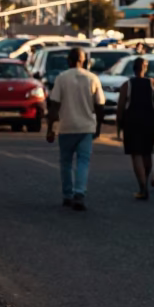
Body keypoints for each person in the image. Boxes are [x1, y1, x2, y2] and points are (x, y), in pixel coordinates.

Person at [46, 46, 105, 211]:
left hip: (66, 127)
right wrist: (98, 126)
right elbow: (100, 105)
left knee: (65, 162)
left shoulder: (61, 78)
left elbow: (54, 105)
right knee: (83, 162)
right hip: (86, 127)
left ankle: (67, 195)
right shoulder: (92, 78)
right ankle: (79, 193)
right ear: (83, 60)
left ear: (69, 61)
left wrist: (50, 128)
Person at [116, 56, 154, 199]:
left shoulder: (127, 85)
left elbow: (120, 108)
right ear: (145, 68)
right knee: (147, 152)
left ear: (133, 69)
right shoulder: (153, 84)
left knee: (136, 154)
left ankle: (142, 186)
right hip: (149, 122)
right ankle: (145, 180)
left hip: (132, 122)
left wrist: (119, 125)